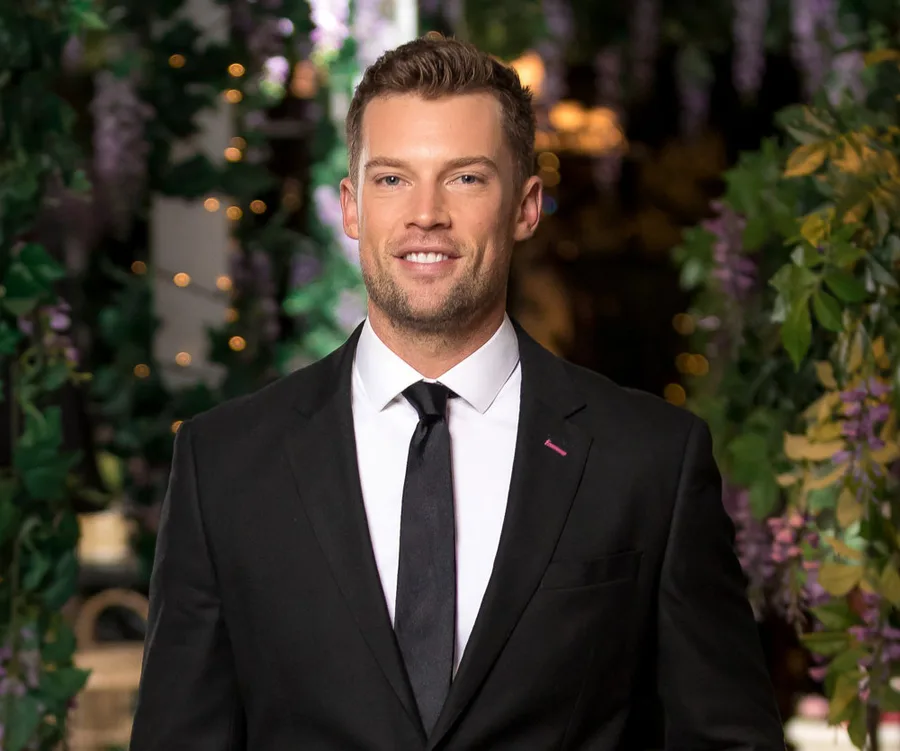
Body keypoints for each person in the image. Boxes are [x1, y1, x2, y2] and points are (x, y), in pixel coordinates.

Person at [130, 35, 786, 751]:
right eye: (391, 180)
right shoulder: (224, 465)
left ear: (526, 206)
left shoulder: (650, 462)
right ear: (352, 207)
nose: (425, 215)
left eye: (465, 179)